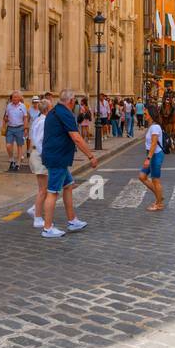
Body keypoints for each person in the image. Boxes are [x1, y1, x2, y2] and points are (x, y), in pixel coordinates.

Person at [39, 90, 97, 238]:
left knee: (68, 185)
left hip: (57, 157)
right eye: (74, 102)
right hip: (57, 158)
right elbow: (76, 137)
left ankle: (72, 221)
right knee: (52, 192)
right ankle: (47, 228)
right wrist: (90, 156)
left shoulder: (55, 111)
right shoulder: (65, 113)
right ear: (71, 101)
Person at [25, 94, 53, 229]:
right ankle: (37, 217)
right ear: (47, 109)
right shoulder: (43, 121)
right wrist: (45, 156)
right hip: (40, 156)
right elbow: (39, 141)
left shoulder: (40, 119)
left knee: (45, 189)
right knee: (43, 190)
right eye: (51, 107)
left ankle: (34, 209)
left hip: (38, 155)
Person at [139, 104, 166, 212]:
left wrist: (148, 158)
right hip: (151, 155)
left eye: (146, 113)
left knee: (155, 180)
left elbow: (154, 144)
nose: (144, 114)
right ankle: (159, 195)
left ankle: (159, 204)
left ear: (151, 114)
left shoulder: (155, 127)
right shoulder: (152, 126)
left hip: (155, 155)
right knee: (142, 176)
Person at [2, 91, 29, 172]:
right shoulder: (9, 106)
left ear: (19, 98)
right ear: (12, 98)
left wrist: (25, 128)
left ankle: (18, 163)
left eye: (16, 97)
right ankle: (11, 159)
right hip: (10, 128)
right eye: (13, 97)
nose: (15, 99)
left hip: (20, 127)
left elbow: (25, 118)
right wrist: (5, 122)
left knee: (19, 146)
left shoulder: (23, 106)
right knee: (8, 145)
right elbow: (5, 117)